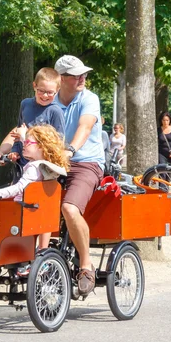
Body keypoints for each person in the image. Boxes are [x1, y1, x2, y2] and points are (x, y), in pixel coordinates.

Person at [53, 54, 106, 296]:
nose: (83, 78)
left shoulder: (89, 99)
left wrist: (70, 149)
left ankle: (86, 265)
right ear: (61, 79)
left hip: (86, 163)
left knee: (70, 209)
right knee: (26, 205)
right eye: (76, 75)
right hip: (53, 164)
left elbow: (85, 126)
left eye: (83, 73)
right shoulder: (49, 100)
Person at [0, 125, 69, 256]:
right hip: (38, 212)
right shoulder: (47, 167)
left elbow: (18, 188)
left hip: (21, 211)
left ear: (41, 147)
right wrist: (24, 137)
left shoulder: (33, 168)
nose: (24, 145)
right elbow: (33, 144)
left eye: (27, 143)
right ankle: (40, 252)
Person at [0, 67, 65, 166]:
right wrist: (14, 151)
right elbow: (18, 135)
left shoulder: (55, 111)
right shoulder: (25, 104)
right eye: (41, 90)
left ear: (57, 90)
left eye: (50, 92)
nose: (45, 95)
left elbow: (58, 145)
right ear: (34, 86)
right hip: (22, 165)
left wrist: (24, 136)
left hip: (42, 167)